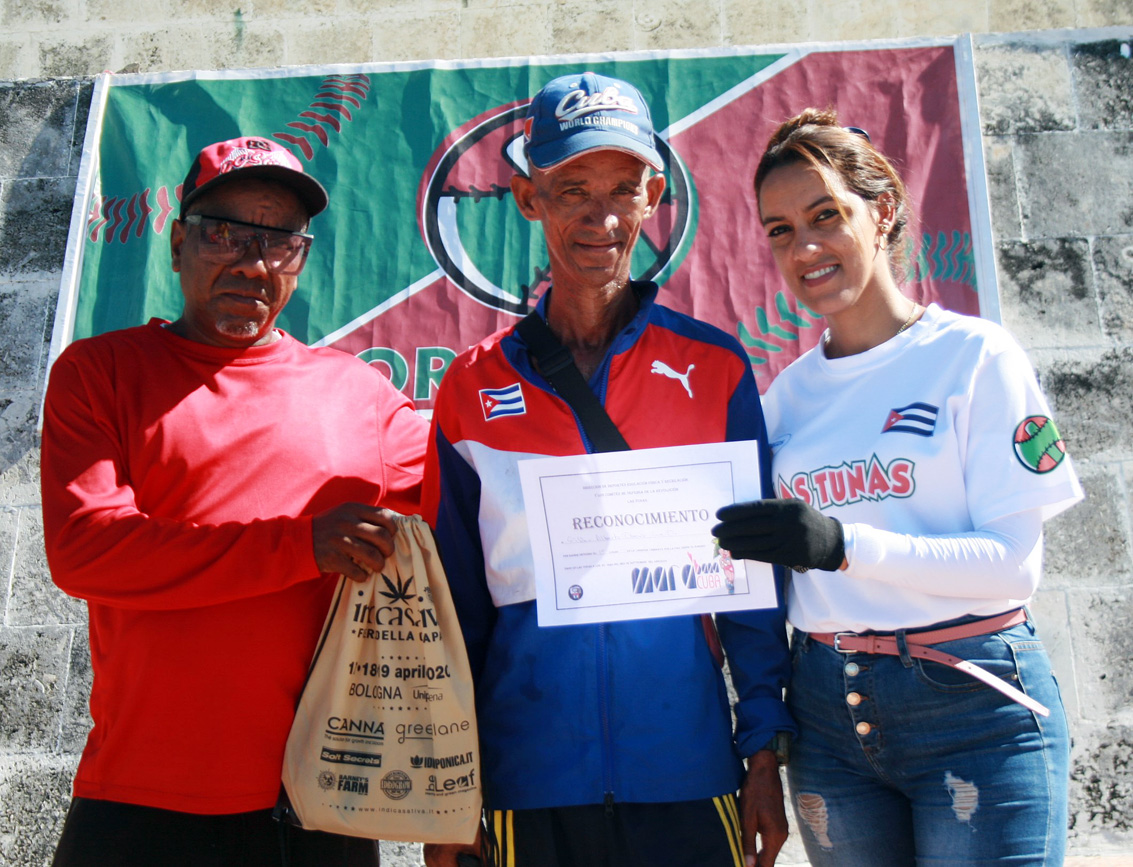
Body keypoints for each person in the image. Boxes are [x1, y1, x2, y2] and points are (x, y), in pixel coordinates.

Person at [422, 73, 795, 867]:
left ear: (655, 193)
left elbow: (752, 586)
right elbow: (454, 606)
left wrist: (762, 752)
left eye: (624, 188)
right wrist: (450, 790)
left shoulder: (714, 367)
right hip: (530, 778)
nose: (601, 216)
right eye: (570, 189)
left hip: (686, 772)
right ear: (527, 198)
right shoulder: (470, 386)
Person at [42, 136, 430, 866]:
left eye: (280, 241)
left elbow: (481, 506)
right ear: (178, 244)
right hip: (136, 799)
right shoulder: (101, 372)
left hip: (314, 806)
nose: (253, 262)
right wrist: (299, 545)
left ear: (301, 261)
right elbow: (86, 548)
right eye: (226, 233)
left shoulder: (362, 397)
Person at [712, 108, 1084, 866]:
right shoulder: (782, 398)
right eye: (779, 229)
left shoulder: (975, 357)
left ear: (880, 213)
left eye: (825, 216)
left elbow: (1013, 564)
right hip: (826, 713)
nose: (804, 247)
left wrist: (844, 545)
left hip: (974, 703)